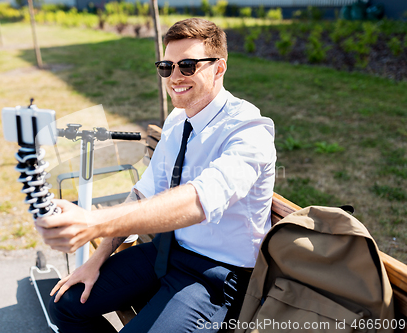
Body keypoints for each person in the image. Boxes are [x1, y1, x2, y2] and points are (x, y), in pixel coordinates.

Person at [35, 18, 276, 333]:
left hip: (215, 275)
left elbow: (200, 200)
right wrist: (98, 256)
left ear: (219, 68)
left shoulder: (248, 130)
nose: (175, 77)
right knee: (66, 303)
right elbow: (143, 192)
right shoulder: (178, 119)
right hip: (167, 252)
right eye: (167, 66)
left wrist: (94, 222)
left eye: (188, 66)